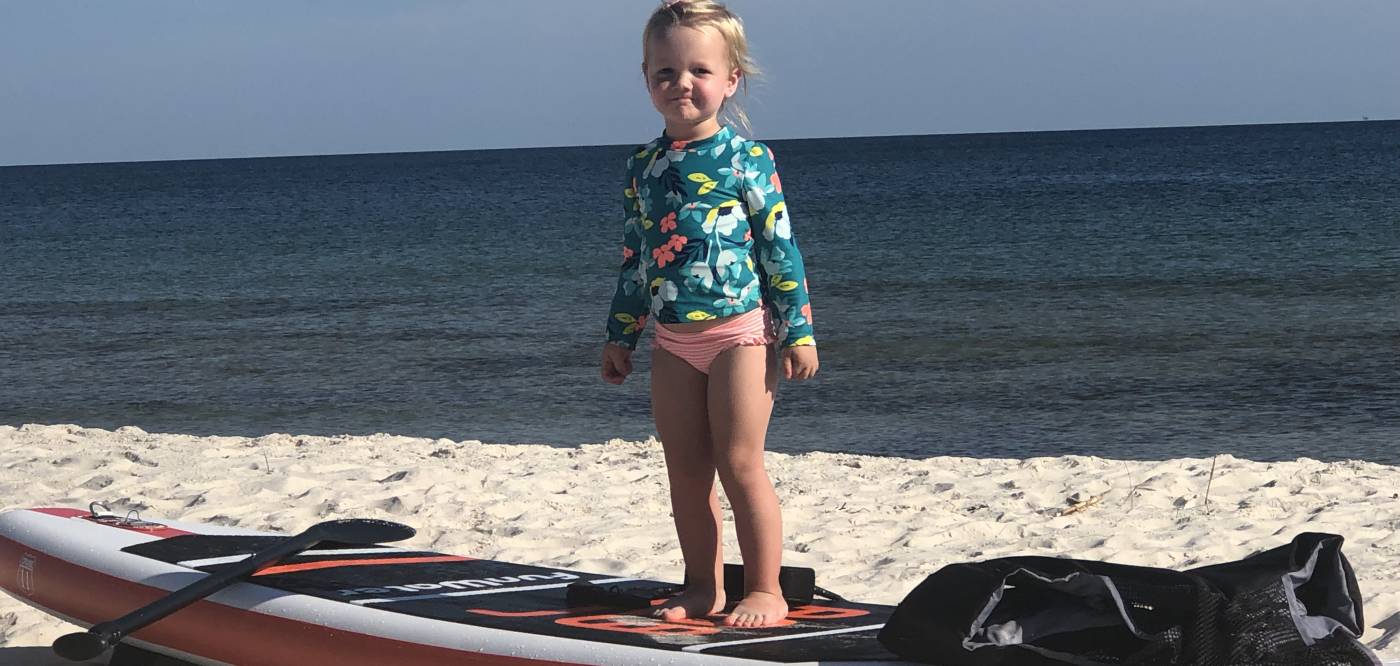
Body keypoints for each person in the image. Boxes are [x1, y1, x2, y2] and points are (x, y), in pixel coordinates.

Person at [599, 0, 818, 629]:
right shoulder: (643, 166)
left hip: (740, 336)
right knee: (686, 471)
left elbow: (781, 247)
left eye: (698, 70)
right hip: (672, 342)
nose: (681, 84)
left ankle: (765, 589)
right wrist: (622, 335)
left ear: (731, 80)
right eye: (665, 72)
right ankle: (701, 587)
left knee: (740, 463)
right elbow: (637, 257)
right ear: (646, 79)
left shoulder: (747, 160)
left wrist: (797, 331)